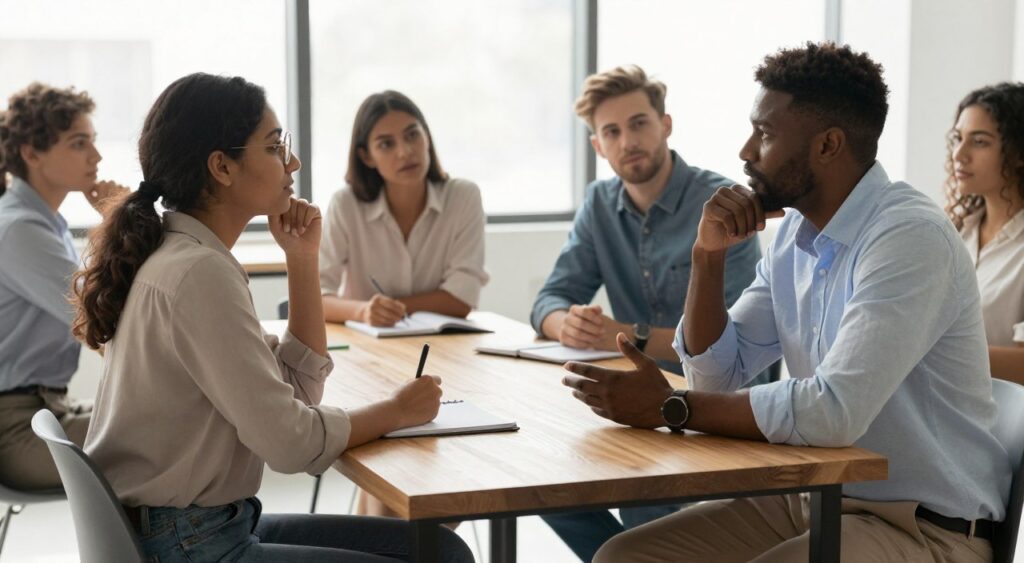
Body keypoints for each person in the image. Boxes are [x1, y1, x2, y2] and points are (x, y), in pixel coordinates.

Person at [561, 43, 1008, 563]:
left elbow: (832, 412)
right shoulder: (797, 230)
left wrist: (668, 406)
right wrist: (707, 257)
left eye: (765, 134)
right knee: (623, 557)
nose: (746, 151)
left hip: (922, 526)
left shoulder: (908, 238)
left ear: (828, 145)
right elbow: (716, 376)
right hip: (814, 497)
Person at [74, 73, 473, 562]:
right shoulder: (199, 272)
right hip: (190, 541)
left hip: (196, 525)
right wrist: (398, 410)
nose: (293, 163)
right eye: (274, 147)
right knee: (442, 558)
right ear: (221, 166)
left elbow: (298, 393)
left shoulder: (184, 254)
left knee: (441, 549)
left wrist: (301, 261)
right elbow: (292, 446)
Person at [530, 65, 763, 562]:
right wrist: (566, 324)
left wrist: (625, 335)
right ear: (598, 146)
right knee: (539, 483)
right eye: (611, 132)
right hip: (632, 401)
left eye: (639, 123)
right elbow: (549, 298)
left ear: (666, 125)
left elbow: (736, 342)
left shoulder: (723, 205)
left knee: (643, 511)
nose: (627, 141)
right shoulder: (599, 203)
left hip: (714, 405)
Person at [0, 82, 126, 490]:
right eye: (78, 143)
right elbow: (102, 319)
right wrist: (121, 222)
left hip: (48, 410)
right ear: (31, 153)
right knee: (171, 435)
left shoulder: (40, 222)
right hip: (18, 430)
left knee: (175, 420)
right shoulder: (19, 229)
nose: (97, 156)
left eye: (93, 141)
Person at [320, 90, 488, 328]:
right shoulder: (346, 204)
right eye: (386, 144)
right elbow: (316, 297)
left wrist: (388, 308)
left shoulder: (463, 197)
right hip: (365, 347)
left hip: (440, 346)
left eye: (412, 135)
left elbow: (461, 299)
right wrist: (364, 311)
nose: (405, 152)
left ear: (427, 138)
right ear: (367, 156)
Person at [946, 82, 1024, 385]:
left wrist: (934, 351)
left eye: (979, 142)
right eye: (957, 139)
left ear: (1019, 153)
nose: (959, 154)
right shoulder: (955, 233)